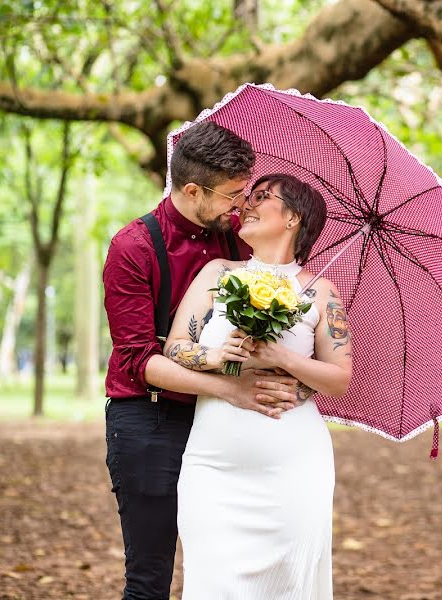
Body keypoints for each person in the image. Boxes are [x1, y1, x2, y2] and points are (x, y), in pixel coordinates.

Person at [102, 123, 303, 600]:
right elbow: (137, 361)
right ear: (192, 190)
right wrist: (230, 386)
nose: (243, 206)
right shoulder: (132, 248)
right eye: (234, 195)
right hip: (150, 419)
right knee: (150, 578)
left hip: (225, 426)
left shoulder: (240, 238)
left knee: (226, 571)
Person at [162, 173, 352, 598]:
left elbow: (340, 378)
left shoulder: (320, 292)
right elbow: (175, 347)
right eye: (249, 195)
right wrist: (214, 358)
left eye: (264, 197)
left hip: (294, 467)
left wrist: (280, 356)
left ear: (293, 219)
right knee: (211, 582)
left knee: (285, 587)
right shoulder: (218, 273)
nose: (247, 203)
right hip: (213, 465)